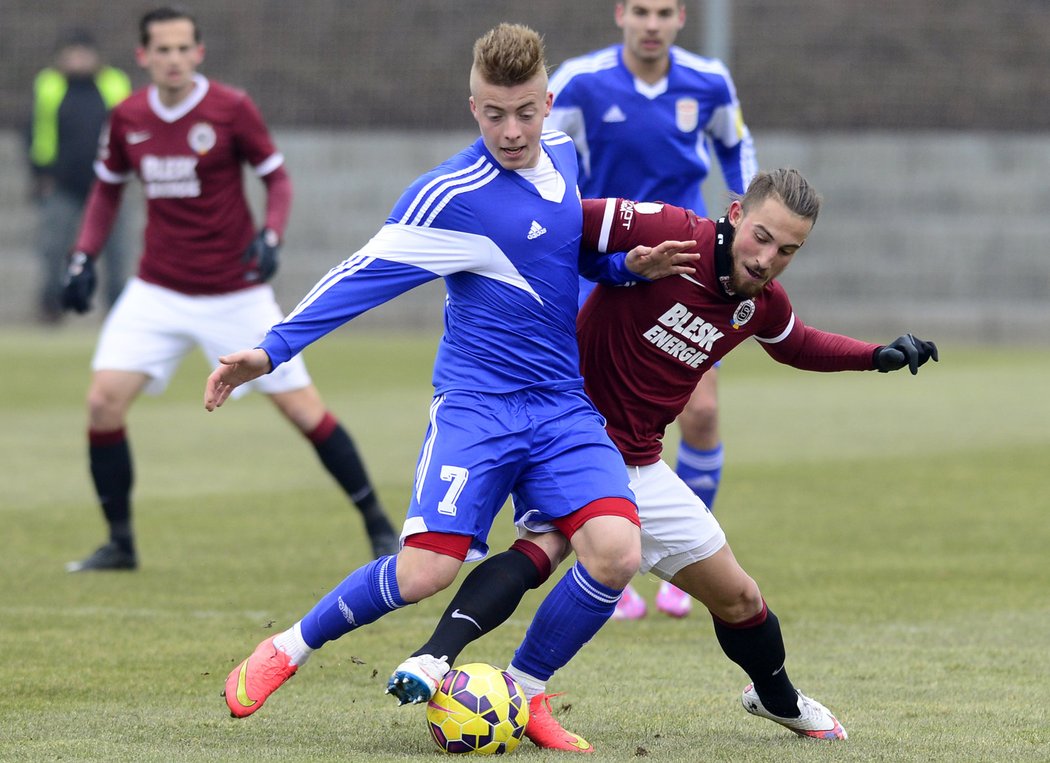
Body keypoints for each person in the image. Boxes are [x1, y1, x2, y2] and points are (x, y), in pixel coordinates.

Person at [204, 22, 697, 735]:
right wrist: (271, 350)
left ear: (548, 103)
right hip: (478, 408)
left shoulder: (562, 157)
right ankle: (285, 647)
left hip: (561, 406)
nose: (511, 130)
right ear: (473, 106)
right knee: (424, 572)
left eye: (525, 111)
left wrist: (623, 267)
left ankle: (527, 691)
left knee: (617, 550)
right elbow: (359, 275)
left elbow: (560, 254)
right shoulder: (451, 194)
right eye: (494, 113)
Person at [402, 169, 938, 750]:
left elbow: (798, 344)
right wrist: (598, 270)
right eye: (761, 237)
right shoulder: (670, 232)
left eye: (788, 250)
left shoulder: (758, 303)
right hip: (568, 438)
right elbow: (557, 223)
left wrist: (876, 356)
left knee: (740, 598)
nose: (767, 259)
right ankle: (499, 680)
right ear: (736, 214)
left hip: (641, 464)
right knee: (548, 547)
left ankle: (776, 699)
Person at [62, 6, 399, 572]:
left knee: (303, 411)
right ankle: (119, 543)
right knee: (102, 402)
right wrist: (83, 257)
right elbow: (106, 192)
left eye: (182, 49)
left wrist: (271, 234)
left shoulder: (230, 108)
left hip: (235, 292)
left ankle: (380, 526)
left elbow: (277, 178)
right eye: (161, 50)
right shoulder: (127, 117)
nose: (173, 59)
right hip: (158, 289)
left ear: (199, 53)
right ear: (144, 56)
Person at [546, 0, 758, 619]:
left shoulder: (708, 80)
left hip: (692, 269)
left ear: (681, 18)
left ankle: (682, 566)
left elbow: (737, 147)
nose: (652, 23)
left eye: (664, 11)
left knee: (703, 410)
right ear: (620, 15)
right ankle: (605, 561)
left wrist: (746, 212)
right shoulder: (581, 83)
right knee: (596, 420)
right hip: (611, 268)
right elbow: (549, 156)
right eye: (641, 10)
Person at [28, 28, 132, 323]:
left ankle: (117, 312)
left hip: (108, 185)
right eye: (71, 53)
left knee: (116, 253)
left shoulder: (114, 83)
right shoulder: (49, 85)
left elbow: (128, 130)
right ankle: (51, 307)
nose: (77, 59)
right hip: (62, 185)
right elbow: (38, 131)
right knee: (54, 248)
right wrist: (41, 173)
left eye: (83, 53)